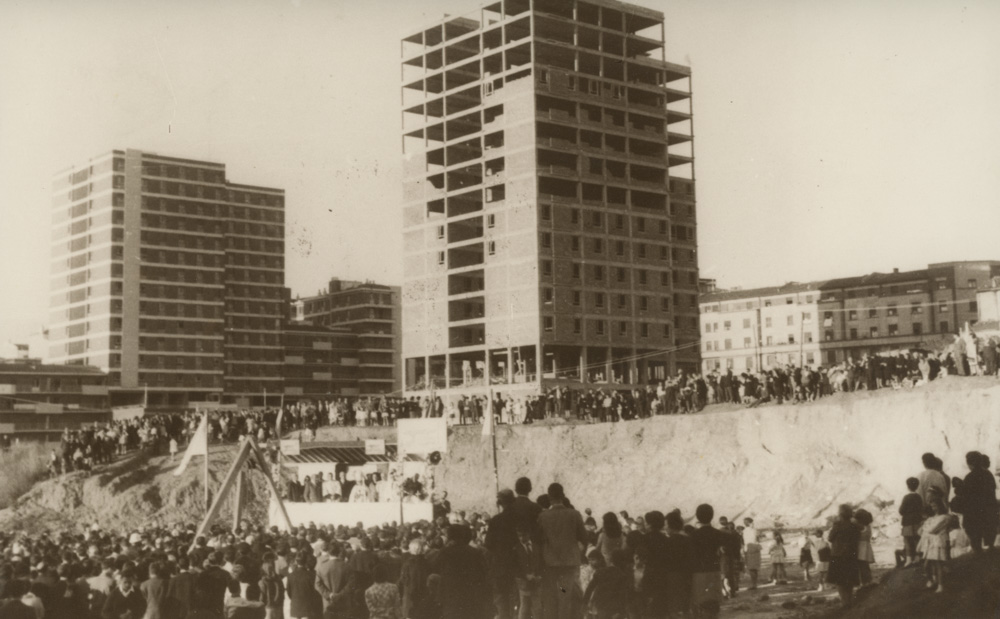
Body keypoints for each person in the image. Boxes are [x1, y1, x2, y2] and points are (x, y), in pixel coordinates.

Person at [536, 483, 587, 619]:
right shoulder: (574, 514)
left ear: (549, 497)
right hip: (568, 565)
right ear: (563, 496)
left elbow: (538, 541)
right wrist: (577, 555)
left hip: (550, 565)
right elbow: (584, 539)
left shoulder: (543, 516)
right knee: (564, 596)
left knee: (551, 598)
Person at [433, 524, 492, 619]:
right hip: (471, 594)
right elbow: (483, 574)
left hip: (450, 594)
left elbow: (436, 568)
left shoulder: (445, 552)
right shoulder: (475, 552)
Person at [688, 504, 725, 618]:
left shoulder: (693, 535)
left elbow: (691, 555)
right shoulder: (718, 533)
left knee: (702, 603)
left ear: (697, 517)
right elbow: (721, 553)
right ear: (712, 516)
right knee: (713, 603)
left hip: (699, 571)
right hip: (714, 570)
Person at [959, 451, 998, 552]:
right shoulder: (988, 474)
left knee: (976, 542)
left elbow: (966, 497)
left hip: (974, 513)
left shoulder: (969, 477)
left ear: (969, 463)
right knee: (989, 541)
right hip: (988, 511)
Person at [826, 505, 860, 607]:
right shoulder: (854, 526)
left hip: (838, 555)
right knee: (849, 580)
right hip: (851, 555)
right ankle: (849, 600)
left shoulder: (837, 525)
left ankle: (844, 602)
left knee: (839, 581)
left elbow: (830, 538)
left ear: (840, 514)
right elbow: (857, 538)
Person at [582, 548, 631, 619]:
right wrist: (621, 611)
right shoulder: (622, 576)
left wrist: (585, 603)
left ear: (611, 560)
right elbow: (623, 595)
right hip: (615, 608)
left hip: (601, 605)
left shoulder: (600, 572)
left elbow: (589, 588)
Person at [920, 499, 956, 594]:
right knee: (927, 565)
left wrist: (925, 527)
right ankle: (932, 581)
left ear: (940, 506)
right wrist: (925, 527)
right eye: (932, 506)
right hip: (930, 543)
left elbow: (932, 529)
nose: (934, 508)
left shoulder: (944, 517)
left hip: (938, 542)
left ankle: (940, 585)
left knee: (938, 564)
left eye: (935, 506)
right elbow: (921, 530)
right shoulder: (933, 517)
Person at [512, 527, 542, 619]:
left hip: (536, 580)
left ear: (529, 534)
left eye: (523, 535)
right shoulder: (516, 549)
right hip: (524, 581)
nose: (521, 538)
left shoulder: (536, 547)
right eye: (519, 536)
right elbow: (515, 566)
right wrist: (525, 575)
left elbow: (541, 562)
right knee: (524, 605)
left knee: (537, 606)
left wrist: (539, 575)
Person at [399, 539, 430, 619]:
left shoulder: (407, 563)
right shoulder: (427, 562)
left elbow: (403, 580)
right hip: (423, 594)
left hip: (410, 596)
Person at [899, 477, 925, 567]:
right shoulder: (918, 497)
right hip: (917, 521)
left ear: (908, 486)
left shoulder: (906, 497)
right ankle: (918, 558)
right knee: (917, 540)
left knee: (907, 540)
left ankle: (909, 559)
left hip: (907, 522)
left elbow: (901, 511)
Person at [741, 518, 761, 590]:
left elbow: (743, 541)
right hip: (754, 549)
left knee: (752, 568)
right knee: (754, 568)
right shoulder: (754, 530)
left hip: (749, 549)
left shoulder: (744, 531)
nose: (753, 524)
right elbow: (758, 539)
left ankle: (754, 584)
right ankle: (754, 584)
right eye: (752, 523)